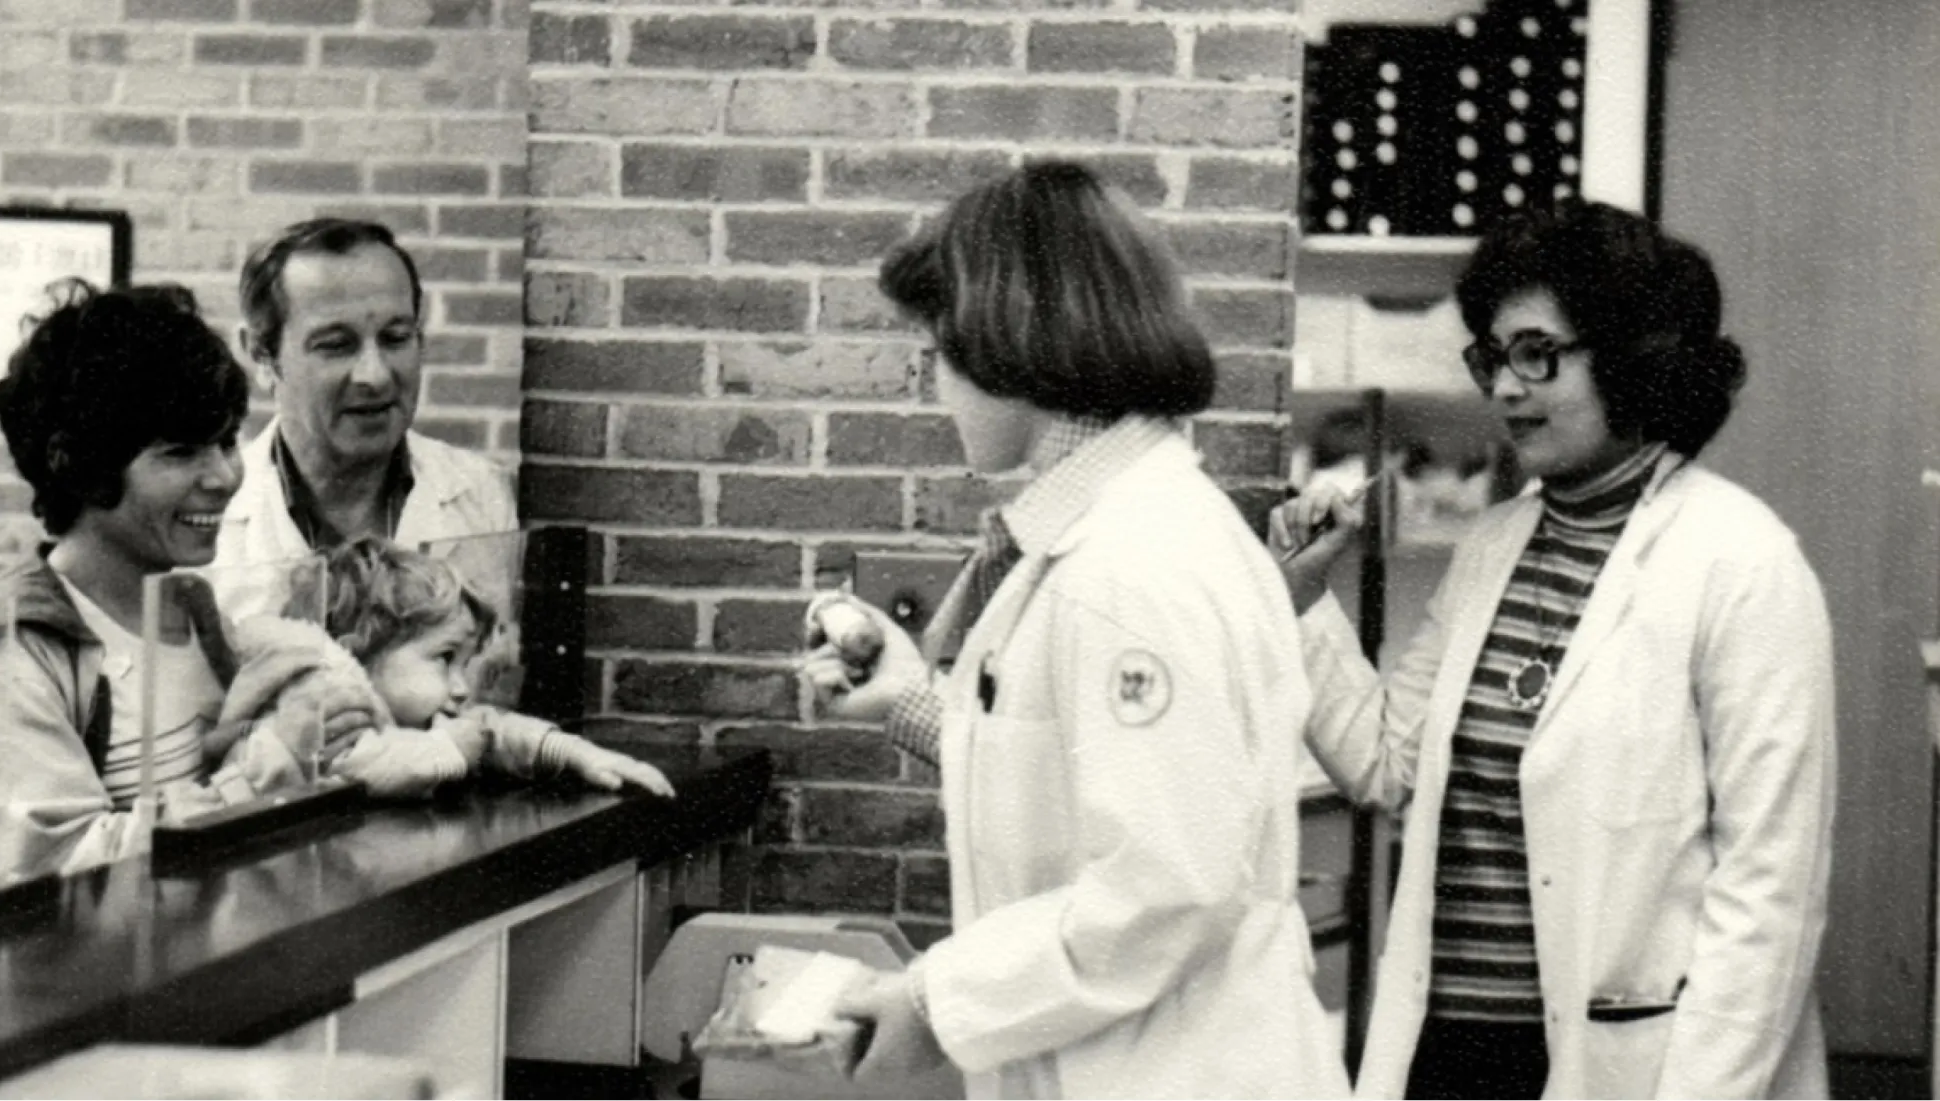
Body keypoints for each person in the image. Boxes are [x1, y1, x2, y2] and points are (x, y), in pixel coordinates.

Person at [795, 162, 1348, 1099]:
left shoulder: (1131, 570)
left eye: (937, 355)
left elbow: (1164, 889)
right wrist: (913, 705)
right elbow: (1081, 783)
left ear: (1006, 343)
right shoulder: (1109, 536)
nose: (936, 390)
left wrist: (934, 1002)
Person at [1271, 199, 1834, 1099]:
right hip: (1449, 1048)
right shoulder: (1493, 545)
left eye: (1536, 353)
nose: (1503, 387)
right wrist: (1301, 600)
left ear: (1631, 356)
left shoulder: (1743, 561)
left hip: (1638, 1062)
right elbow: (1388, 766)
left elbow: (1772, 885)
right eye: (1493, 357)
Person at [0, 282, 377, 894]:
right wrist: (273, 760)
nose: (224, 476)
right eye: (179, 453)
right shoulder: (11, 650)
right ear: (80, 465)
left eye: (227, 440)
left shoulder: (193, 611)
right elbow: (58, 884)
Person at [210, 218, 516, 624]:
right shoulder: (208, 515)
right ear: (262, 357)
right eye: (336, 345)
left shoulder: (482, 496)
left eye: (395, 338)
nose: (374, 375)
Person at [212, 536, 674, 801]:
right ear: (360, 653)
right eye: (443, 659)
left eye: (466, 663)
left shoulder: (409, 715)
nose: (459, 687)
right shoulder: (324, 711)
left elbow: (486, 728)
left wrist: (570, 753)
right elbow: (367, 766)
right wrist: (448, 751)